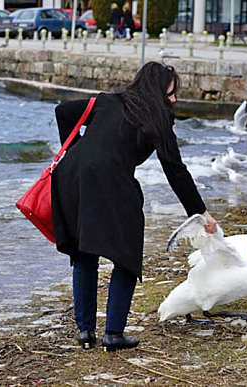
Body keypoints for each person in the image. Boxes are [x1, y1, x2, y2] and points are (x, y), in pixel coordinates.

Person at [52, 62, 218, 352]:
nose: (174, 100)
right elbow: (175, 170)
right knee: (126, 257)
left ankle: (85, 331)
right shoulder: (157, 119)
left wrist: (74, 150)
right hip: (110, 179)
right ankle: (113, 334)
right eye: (171, 93)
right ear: (157, 93)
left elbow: (63, 111)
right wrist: (201, 213)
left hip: (71, 176)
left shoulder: (107, 101)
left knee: (83, 253)